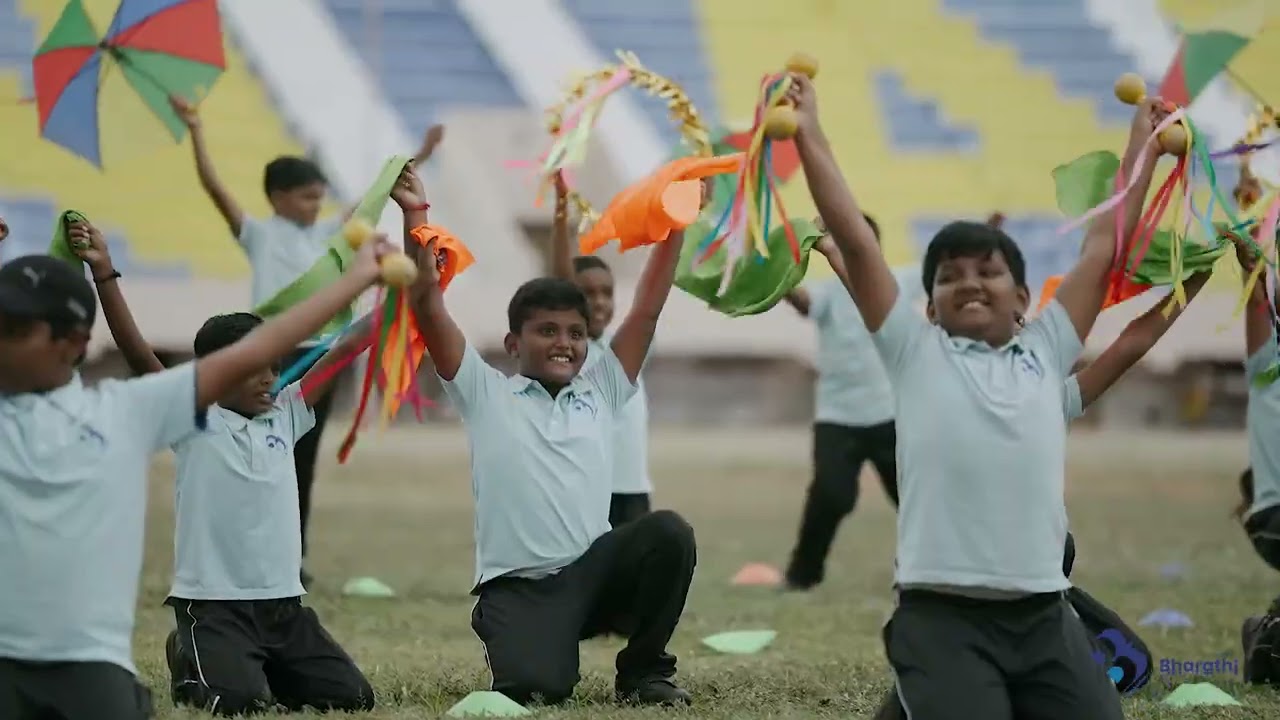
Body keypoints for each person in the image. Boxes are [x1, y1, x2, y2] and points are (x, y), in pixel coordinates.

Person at [788, 67, 1165, 719]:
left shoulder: (1048, 350)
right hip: (941, 613)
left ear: (1022, 297)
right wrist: (810, 131)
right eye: (949, 276)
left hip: (1044, 613)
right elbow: (853, 235)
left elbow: (1103, 245)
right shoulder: (913, 351)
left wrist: (1145, 145)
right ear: (928, 304)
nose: (969, 283)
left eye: (988, 272)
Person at [0, 221, 396, 720]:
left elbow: (346, 344)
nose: (269, 378)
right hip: (214, 607)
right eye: (254, 369)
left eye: (274, 367)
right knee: (238, 703)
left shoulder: (288, 412)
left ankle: (253, 663)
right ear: (220, 372)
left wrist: (401, 293)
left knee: (351, 698)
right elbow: (137, 350)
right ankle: (192, 652)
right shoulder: (193, 420)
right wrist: (106, 276)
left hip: (284, 606)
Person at [406, 179, 696, 707]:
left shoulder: (602, 389)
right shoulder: (486, 393)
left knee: (669, 533)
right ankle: (511, 632)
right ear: (514, 344)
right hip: (521, 589)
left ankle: (644, 673)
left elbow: (647, 311)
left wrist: (674, 225)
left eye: (575, 333)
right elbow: (427, 309)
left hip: (593, 576)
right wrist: (415, 216)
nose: (564, 343)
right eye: (547, 331)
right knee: (540, 691)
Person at [873, 270, 1211, 718]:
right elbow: (868, 279)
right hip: (945, 590)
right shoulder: (922, 382)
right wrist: (836, 250)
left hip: (1029, 588)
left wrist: (1197, 277)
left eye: (1019, 322)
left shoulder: (1049, 397)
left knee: (1108, 662)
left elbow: (1131, 344)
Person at [172, 95, 444, 584]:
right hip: (269, 354)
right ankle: (238, 546)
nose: (316, 206)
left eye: (319, 197)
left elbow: (372, 198)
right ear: (277, 197)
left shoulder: (327, 237)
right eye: (305, 197)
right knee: (247, 452)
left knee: (301, 456)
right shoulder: (257, 233)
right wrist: (195, 130)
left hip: (320, 356)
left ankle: (291, 556)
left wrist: (416, 158)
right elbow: (214, 187)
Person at [779, 215, 919, 590]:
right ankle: (801, 575)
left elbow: (944, 272)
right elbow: (802, 300)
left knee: (915, 499)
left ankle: (933, 571)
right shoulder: (827, 292)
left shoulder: (899, 282)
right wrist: (776, 275)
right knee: (831, 494)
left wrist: (990, 233)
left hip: (889, 414)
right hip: (837, 416)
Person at [548, 173, 653, 526]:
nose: (600, 302)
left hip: (634, 489)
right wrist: (562, 207)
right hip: (590, 491)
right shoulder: (571, 350)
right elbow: (560, 281)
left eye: (606, 292)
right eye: (587, 293)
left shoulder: (622, 348)